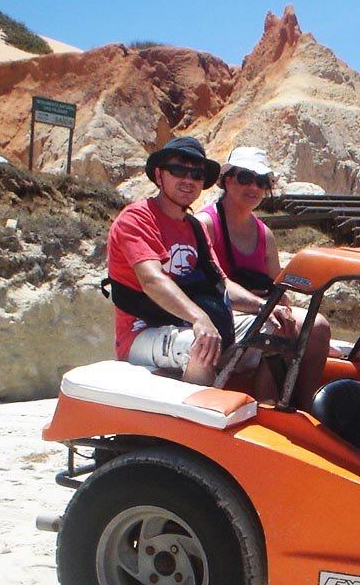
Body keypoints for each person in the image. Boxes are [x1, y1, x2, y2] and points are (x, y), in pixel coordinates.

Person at [106, 136, 298, 399]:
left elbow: (222, 284)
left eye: (196, 174)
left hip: (183, 321)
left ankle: (268, 413)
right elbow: (152, 279)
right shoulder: (138, 219)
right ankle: (193, 431)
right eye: (178, 171)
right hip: (141, 330)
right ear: (160, 175)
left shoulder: (194, 227)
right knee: (199, 343)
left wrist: (265, 307)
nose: (188, 179)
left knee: (275, 331)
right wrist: (199, 318)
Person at [195, 145, 332, 404]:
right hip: (222, 307)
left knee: (318, 325)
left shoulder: (264, 234)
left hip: (260, 307)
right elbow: (211, 284)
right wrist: (266, 308)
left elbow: (278, 287)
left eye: (261, 182)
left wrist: (283, 309)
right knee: (272, 328)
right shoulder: (207, 224)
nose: (254, 188)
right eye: (245, 178)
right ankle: (268, 408)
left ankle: (302, 407)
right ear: (227, 180)